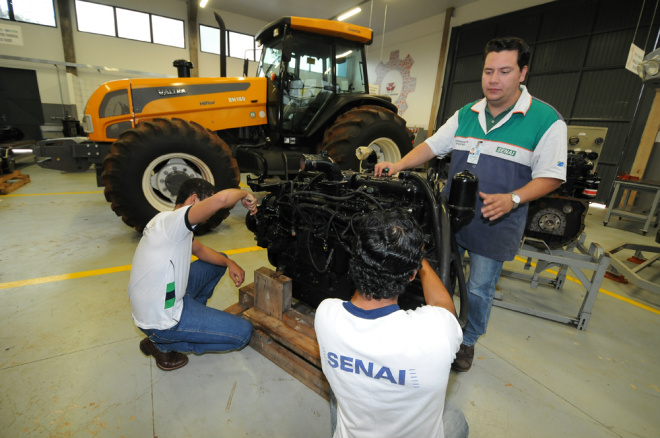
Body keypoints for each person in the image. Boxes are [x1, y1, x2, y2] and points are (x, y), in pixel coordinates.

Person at [375, 37, 567, 372]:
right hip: (449, 218)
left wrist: (514, 198)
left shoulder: (545, 120)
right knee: (438, 275)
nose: (494, 79)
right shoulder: (468, 113)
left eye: (504, 71)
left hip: (496, 223)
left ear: (523, 73)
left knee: (478, 288)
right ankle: (435, 329)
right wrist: (399, 165)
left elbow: (552, 176)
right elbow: (433, 145)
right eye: (489, 71)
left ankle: (467, 341)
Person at [314, 209, 468, 438]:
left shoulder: (325, 314)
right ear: (410, 275)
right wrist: (419, 260)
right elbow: (442, 305)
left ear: (356, 261)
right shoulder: (435, 333)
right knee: (456, 419)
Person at [128, 178, 257, 371]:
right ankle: (161, 344)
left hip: (163, 300)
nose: (210, 213)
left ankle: (195, 319)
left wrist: (229, 263)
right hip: (162, 319)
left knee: (217, 261)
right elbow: (222, 200)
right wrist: (245, 194)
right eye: (207, 203)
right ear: (194, 199)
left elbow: (201, 251)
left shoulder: (165, 221)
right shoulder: (174, 221)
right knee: (243, 334)